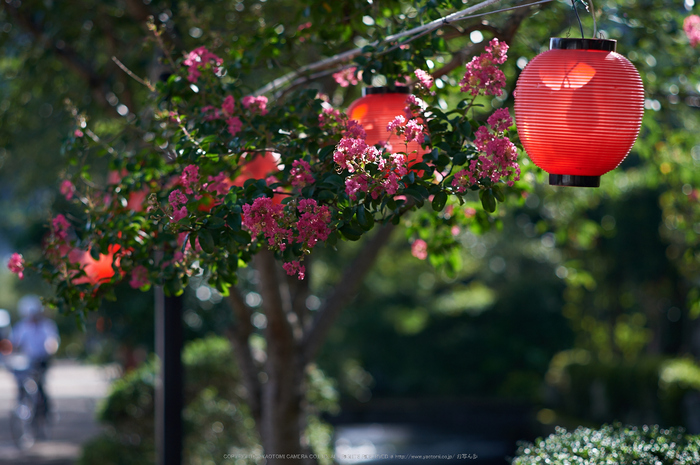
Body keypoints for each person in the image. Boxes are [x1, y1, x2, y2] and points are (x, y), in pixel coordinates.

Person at [10, 295, 60, 419]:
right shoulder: (22, 326)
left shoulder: (47, 325)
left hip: (42, 360)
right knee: (21, 381)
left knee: (40, 384)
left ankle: (46, 412)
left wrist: (51, 348)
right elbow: (14, 343)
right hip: (28, 360)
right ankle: (21, 406)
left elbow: (52, 341)